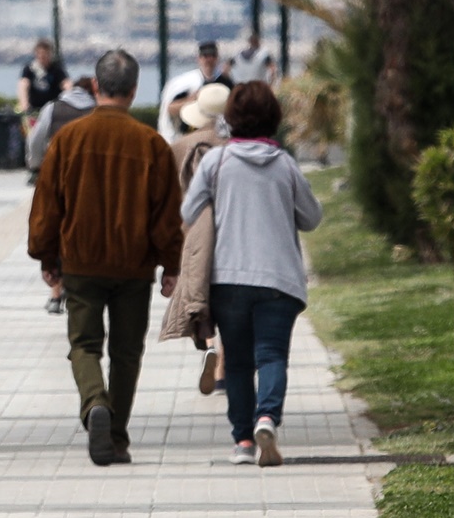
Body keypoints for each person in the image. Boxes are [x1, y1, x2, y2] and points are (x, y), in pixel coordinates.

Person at [29, 49, 184, 466]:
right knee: (127, 352)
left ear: (96, 87)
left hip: (80, 263)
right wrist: (171, 264)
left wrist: (46, 257)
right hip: (134, 266)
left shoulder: (67, 140)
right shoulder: (152, 144)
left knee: (84, 344)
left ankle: (94, 402)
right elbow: (167, 215)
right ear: (134, 91)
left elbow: (47, 205)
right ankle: (116, 436)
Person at [180, 81, 323, 467]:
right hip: (278, 279)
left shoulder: (217, 162)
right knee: (272, 355)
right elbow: (312, 218)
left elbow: (189, 212)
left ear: (231, 119)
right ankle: (267, 418)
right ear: (273, 119)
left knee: (239, 362)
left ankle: (242, 441)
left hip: (228, 279)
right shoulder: (286, 165)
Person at [164, 82, 231, 395]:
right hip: (231, 231)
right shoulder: (235, 144)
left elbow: (169, 198)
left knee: (198, 292)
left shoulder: (180, 147)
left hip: (190, 234)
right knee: (229, 297)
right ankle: (222, 366)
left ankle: (206, 341)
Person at [26, 76, 97, 311]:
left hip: (57, 177)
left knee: (54, 230)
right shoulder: (96, 110)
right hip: (89, 183)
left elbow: (36, 140)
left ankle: (56, 294)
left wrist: (36, 165)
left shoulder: (53, 107)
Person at [157, 41, 232, 141]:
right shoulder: (187, 82)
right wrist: (191, 100)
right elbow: (170, 108)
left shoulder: (225, 82)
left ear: (217, 58)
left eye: (212, 56)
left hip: (218, 135)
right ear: (199, 58)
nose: (209, 60)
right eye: (205, 56)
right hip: (188, 134)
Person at [16, 39, 68, 118]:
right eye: (40, 53)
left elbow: (66, 83)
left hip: (53, 108)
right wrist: (24, 104)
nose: (42, 56)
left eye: (45, 54)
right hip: (34, 109)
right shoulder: (30, 68)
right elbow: (23, 84)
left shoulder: (56, 69)